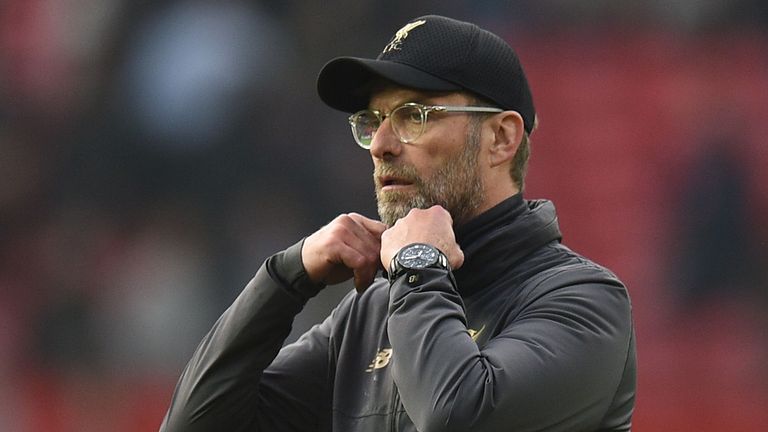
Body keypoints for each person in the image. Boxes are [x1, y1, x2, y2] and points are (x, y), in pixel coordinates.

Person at [160, 15, 636, 432]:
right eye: (373, 119)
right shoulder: (367, 314)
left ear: (501, 137)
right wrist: (286, 276)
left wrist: (419, 265)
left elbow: (458, 417)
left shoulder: (583, 300)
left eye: (414, 116)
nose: (379, 144)